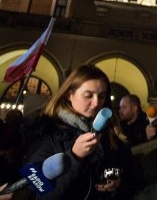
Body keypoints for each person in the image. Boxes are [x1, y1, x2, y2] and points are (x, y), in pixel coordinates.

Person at [23, 65, 135, 199]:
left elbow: (128, 172)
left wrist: (117, 182)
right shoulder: (45, 131)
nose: (96, 103)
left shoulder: (110, 132)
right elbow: (36, 194)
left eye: (101, 96)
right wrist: (74, 157)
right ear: (69, 94)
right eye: (88, 95)